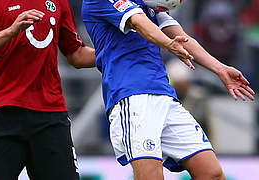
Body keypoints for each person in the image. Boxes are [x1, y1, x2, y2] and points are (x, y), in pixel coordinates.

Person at [82, 0, 255, 179]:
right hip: (132, 96)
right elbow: (137, 21)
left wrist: (220, 68)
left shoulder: (146, 3)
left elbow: (181, 37)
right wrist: (168, 44)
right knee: (152, 176)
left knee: (213, 174)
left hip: (165, 95)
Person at [0, 0, 95, 179]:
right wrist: (11, 31)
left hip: (50, 113)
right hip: (4, 110)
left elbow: (76, 54)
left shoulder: (59, 2)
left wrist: (113, 53)